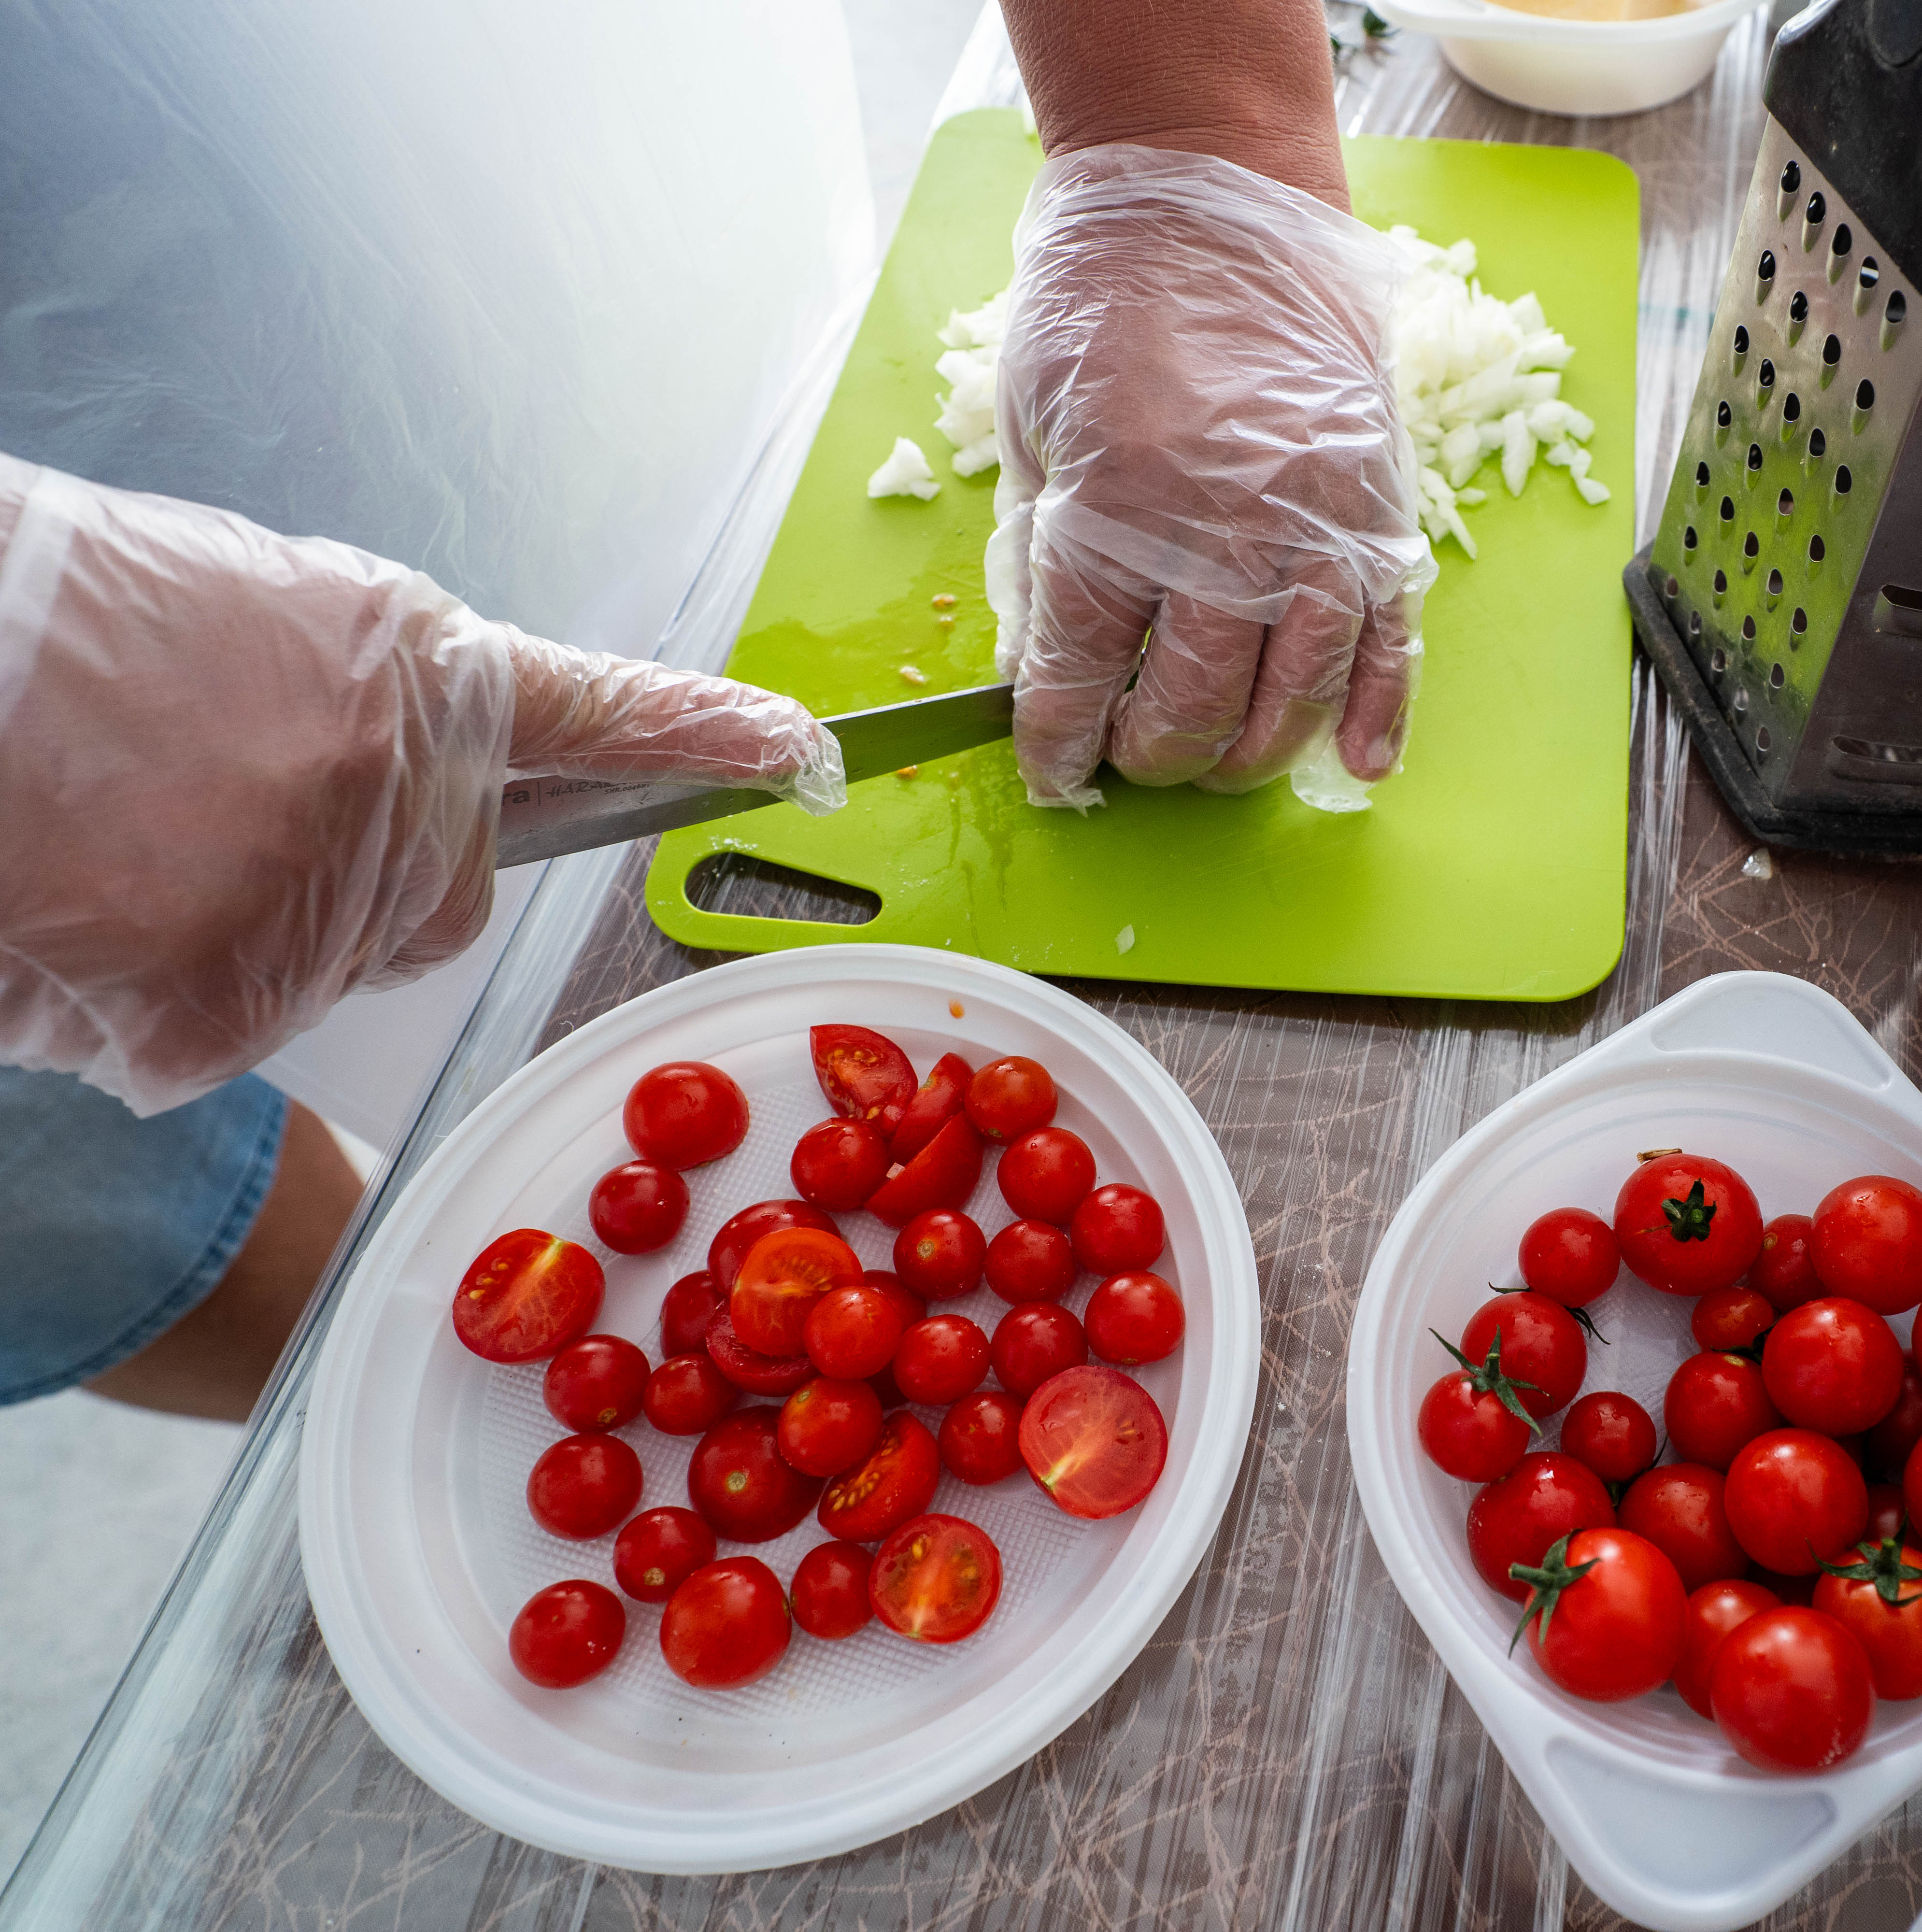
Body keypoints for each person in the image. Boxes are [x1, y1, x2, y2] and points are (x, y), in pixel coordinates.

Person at [0, 0, 1422, 1417]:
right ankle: (399, 1399)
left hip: (592, 186)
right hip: (105, 465)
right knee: (139, 1212)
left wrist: (1190, 152)